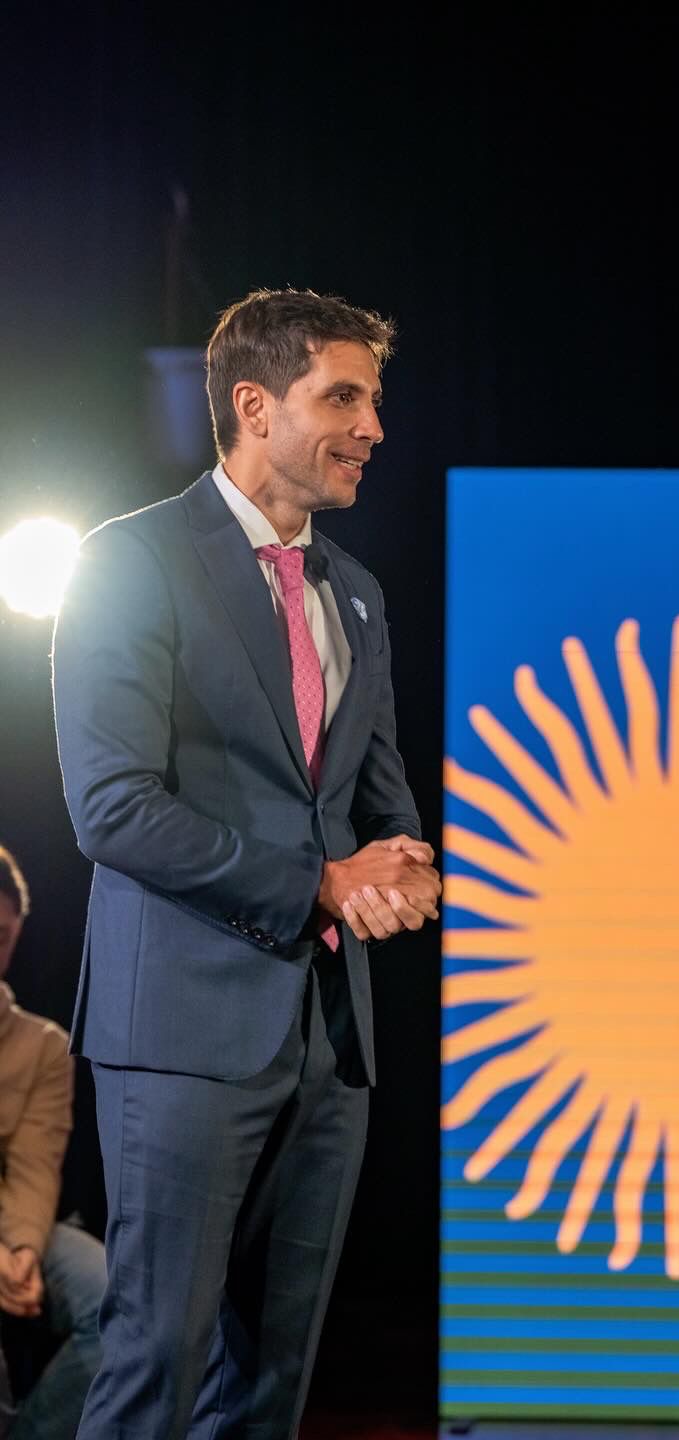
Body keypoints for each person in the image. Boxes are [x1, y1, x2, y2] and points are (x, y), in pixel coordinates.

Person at [50, 288, 443, 1439]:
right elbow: (114, 808)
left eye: (375, 401)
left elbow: (377, 793)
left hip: (329, 1044)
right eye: (345, 398)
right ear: (256, 406)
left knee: (272, 1387)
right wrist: (321, 882)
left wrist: (406, 864)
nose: (374, 428)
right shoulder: (132, 561)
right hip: (180, 1036)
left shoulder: (356, 593)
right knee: (156, 1367)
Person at [0, 842, 106, 1440]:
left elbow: (36, 1164)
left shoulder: (42, 1044)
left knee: (118, 1300)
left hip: (23, 1224)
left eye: (0, 936)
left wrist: (19, 1250)